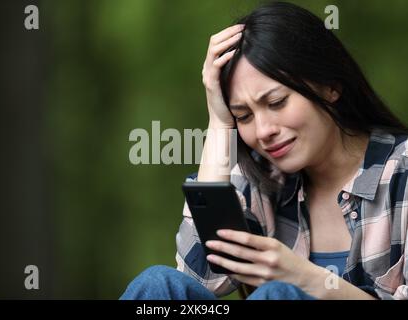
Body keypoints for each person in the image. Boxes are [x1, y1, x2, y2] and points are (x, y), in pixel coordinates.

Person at [120, 1, 408, 300]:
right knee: (158, 285)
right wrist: (219, 123)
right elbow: (197, 281)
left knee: (278, 295)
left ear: (330, 85)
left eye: (276, 103)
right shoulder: (261, 179)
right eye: (244, 116)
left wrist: (306, 279)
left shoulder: (402, 173)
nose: (263, 130)